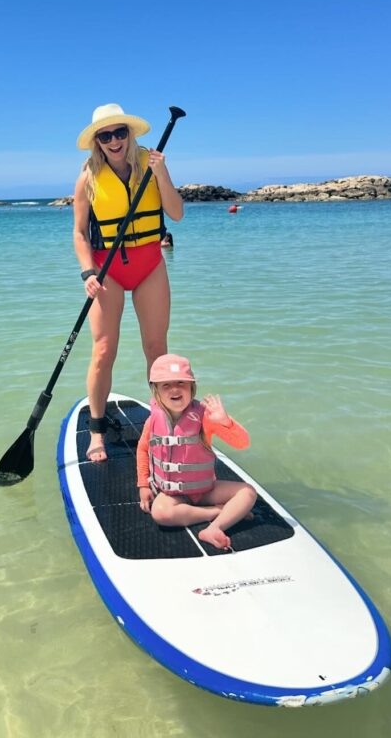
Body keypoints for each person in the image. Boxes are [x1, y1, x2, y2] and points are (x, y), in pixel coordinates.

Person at [74, 102, 184, 462]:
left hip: (149, 264)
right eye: (105, 136)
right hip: (109, 272)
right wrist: (88, 272)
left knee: (157, 350)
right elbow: (79, 233)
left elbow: (177, 214)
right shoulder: (88, 175)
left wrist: (163, 175)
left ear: (129, 133)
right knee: (104, 350)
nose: (114, 141)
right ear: (97, 141)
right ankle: (96, 430)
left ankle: (166, 426)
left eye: (120, 132)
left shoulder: (152, 165)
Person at [136, 354, 256, 551]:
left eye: (181, 383)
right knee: (160, 514)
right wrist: (143, 485)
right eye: (166, 385)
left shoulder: (205, 418)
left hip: (205, 490)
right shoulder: (153, 421)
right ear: (156, 390)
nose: (175, 389)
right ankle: (217, 512)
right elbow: (142, 449)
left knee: (248, 493)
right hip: (173, 494)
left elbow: (242, 443)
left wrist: (226, 422)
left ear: (192, 388)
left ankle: (214, 528)